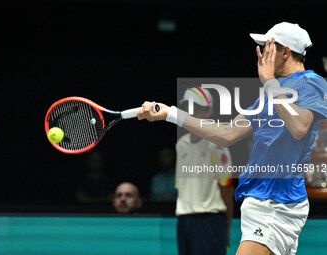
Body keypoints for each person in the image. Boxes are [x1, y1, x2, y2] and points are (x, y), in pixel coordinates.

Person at [137, 22, 327, 255]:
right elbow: (226, 134)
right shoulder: (269, 94)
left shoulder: (312, 83)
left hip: (277, 202)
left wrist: (269, 83)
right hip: (258, 201)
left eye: (266, 47)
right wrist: (170, 113)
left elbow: (299, 127)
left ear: (285, 52)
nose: (261, 54)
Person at [176, 88, 234, 255]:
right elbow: (181, 188)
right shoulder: (181, 145)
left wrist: (226, 230)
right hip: (184, 221)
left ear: (209, 111)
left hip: (210, 221)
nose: (190, 112)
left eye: (196, 107)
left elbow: (227, 191)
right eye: (187, 107)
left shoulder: (217, 145)